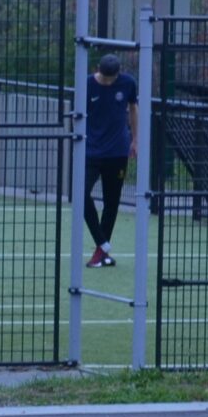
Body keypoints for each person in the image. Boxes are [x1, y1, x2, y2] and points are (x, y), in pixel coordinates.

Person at [82, 51, 139, 267]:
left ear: (118, 74)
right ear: (97, 68)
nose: (106, 81)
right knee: (81, 194)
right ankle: (102, 242)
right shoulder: (87, 84)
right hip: (91, 152)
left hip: (117, 152)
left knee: (111, 202)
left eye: (110, 78)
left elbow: (133, 109)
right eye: (103, 77)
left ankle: (100, 253)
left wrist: (135, 140)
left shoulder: (128, 84)